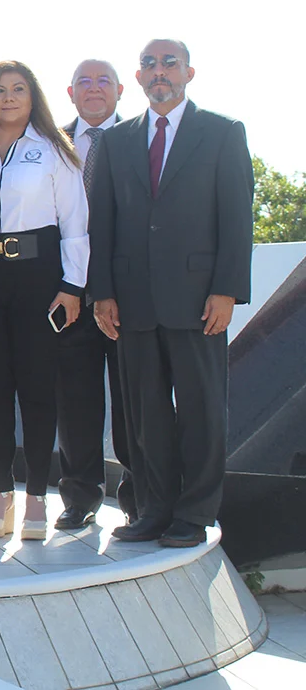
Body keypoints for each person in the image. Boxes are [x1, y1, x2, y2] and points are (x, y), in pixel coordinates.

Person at [89, 39, 253, 548]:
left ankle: (193, 512)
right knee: (144, 416)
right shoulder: (115, 143)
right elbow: (103, 223)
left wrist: (226, 289)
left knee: (202, 411)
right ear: (137, 78)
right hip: (132, 301)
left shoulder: (223, 133)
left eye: (169, 63)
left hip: (200, 299)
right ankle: (154, 510)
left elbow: (236, 216)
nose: (159, 72)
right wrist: (103, 292)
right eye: (149, 64)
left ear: (189, 72)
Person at [0, 60, 87, 541]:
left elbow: (75, 225)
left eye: (18, 89)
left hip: (39, 277)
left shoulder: (55, 152)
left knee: (36, 389)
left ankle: (35, 496)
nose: (8, 98)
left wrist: (72, 287)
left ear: (33, 98)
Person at [54, 59, 136, 530]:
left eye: (104, 80)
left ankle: (139, 499)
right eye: (84, 81)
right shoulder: (50, 144)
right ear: (70, 92)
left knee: (133, 402)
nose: (94, 88)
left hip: (127, 296)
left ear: (121, 90)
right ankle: (80, 497)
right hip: (69, 294)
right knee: (76, 402)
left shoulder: (142, 140)